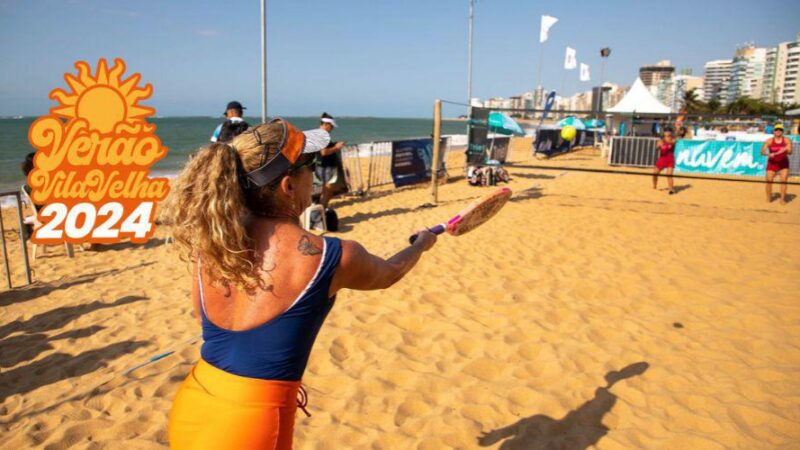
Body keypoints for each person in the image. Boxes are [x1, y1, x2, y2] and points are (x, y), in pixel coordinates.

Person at [166, 119, 437, 450]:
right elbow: (391, 272)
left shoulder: (214, 242)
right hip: (252, 423)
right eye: (311, 165)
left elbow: (202, 316)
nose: (315, 173)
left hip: (194, 401)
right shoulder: (331, 255)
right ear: (288, 186)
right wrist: (421, 243)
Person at [315, 113, 346, 209]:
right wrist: (336, 147)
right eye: (331, 127)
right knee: (327, 191)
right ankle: (322, 210)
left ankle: (322, 209)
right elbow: (323, 152)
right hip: (325, 167)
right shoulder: (321, 135)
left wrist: (334, 145)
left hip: (324, 166)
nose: (332, 129)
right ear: (326, 124)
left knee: (327, 191)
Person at [761, 123, 792, 204]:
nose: (778, 131)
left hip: (783, 163)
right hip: (772, 162)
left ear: (782, 131)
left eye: (780, 130)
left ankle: (782, 199)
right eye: (776, 130)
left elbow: (790, 151)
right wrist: (768, 154)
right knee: (769, 181)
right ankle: (768, 198)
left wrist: (787, 150)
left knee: (783, 181)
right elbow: (762, 151)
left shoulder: (787, 140)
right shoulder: (769, 140)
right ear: (773, 131)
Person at [652, 128, 676, 195]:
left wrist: (664, 143)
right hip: (662, 159)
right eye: (665, 135)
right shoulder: (660, 141)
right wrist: (658, 145)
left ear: (671, 135)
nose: (667, 136)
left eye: (668, 135)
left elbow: (672, 142)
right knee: (654, 174)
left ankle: (671, 189)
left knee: (669, 175)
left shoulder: (673, 140)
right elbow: (656, 148)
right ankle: (654, 186)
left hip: (670, 159)